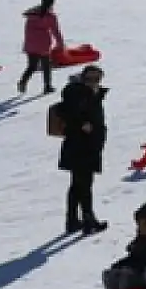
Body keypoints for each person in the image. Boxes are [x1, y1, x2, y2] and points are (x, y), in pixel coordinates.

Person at [57, 64, 109, 234]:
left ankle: (72, 220)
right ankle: (89, 220)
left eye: (97, 79)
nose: (93, 82)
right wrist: (81, 124)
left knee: (77, 185)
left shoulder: (92, 93)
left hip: (89, 146)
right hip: (79, 146)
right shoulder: (75, 92)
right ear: (83, 77)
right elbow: (67, 112)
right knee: (84, 185)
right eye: (90, 78)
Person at [18, 0, 65, 96]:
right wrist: (60, 44)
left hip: (30, 44)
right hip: (43, 44)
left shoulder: (32, 14)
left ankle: (22, 82)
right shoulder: (50, 16)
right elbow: (55, 31)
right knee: (46, 66)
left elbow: (27, 30)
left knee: (32, 66)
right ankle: (47, 86)